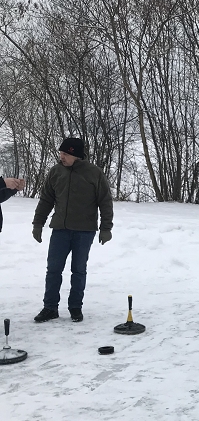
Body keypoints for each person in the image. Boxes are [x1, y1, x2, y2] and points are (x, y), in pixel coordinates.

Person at [32, 138, 114, 323]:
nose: (61, 157)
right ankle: (50, 307)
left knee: (78, 270)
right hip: (60, 229)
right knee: (53, 270)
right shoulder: (55, 172)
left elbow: (105, 201)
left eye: (65, 154)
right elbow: (46, 200)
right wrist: (38, 224)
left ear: (76, 155)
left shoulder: (94, 173)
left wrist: (106, 228)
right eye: (61, 154)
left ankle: (75, 307)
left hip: (84, 231)